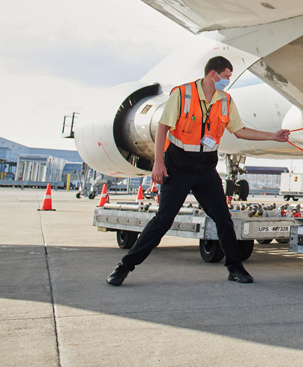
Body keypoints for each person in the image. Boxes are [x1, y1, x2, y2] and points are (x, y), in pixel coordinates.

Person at [106, 56, 289, 286]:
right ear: (213, 74)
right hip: (178, 167)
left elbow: (239, 130)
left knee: (223, 217)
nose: (227, 82)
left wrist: (273, 135)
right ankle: (124, 267)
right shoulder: (182, 94)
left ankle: (235, 268)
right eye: (226, 77)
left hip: (205, 168)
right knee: (163, 220)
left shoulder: (225, 101)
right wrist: (158, 163)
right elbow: (163, 127)